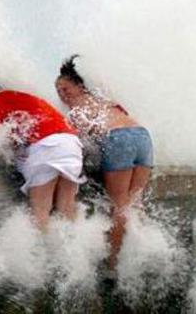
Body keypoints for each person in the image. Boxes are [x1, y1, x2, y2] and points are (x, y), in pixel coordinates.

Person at [55, 56, 154, 269]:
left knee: (119, 205)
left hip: (118, 139)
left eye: (65, 88)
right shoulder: (105, 101)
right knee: (135, 203)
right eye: (58, 92)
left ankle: (113, 264)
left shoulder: (77, 111)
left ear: (80, 86)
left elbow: (78, 145)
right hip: (143, 136)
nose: (62, 95)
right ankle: (141, 259)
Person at [0, 82, 86, 230]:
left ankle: (43, 252)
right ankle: (75, 249)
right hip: (71, 144)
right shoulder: (26, 99)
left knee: (40, 212)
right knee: (66, 208)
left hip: (46, 147)